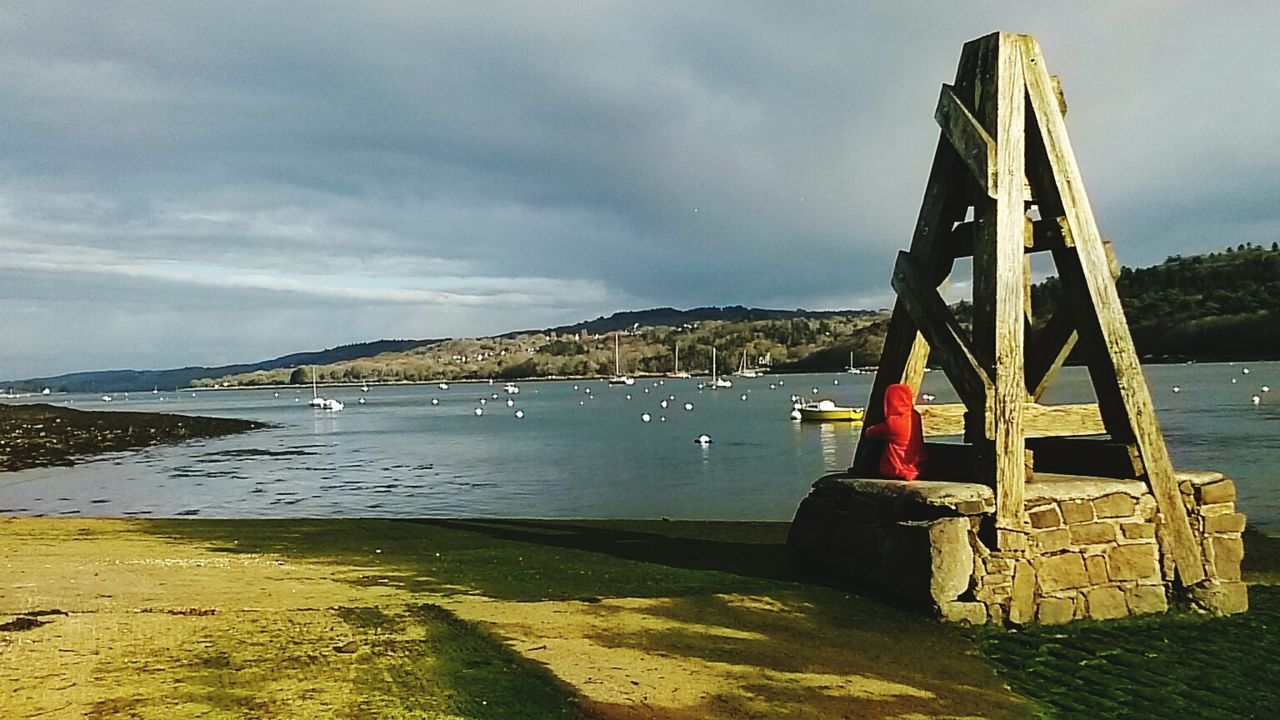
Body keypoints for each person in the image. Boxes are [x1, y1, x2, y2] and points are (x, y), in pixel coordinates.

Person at [863, 383, 926, 481]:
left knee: (875, 442)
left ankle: (861, 468)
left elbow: (869, 433)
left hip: (894, 469)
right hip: (915, 467)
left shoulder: (893, 422)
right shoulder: (915, 416)